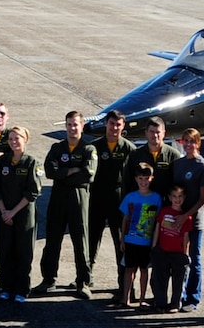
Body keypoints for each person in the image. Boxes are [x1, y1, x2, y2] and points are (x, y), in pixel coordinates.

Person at [37, 110, 97, 297]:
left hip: (79, 199)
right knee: (52, 240)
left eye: (76, 124)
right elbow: (49, 170)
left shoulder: (89, 149)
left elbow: (88, 174)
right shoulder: (57, 148)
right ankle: (48, 279)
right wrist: (71, 170)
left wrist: (62, 173)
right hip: (58, 198)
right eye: (69, 124)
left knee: (81, 242)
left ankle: (83, 282)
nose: (72, 128)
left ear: (82, 126)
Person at [87, 109, 138, 291]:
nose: (114, 127)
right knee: (91, 239)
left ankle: (123, 282)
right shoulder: (94, 147)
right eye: (111, 123)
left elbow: (135, 178)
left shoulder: (129, 149)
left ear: (123, 126)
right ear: (106, 124)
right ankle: (86, 276)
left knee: (121, 242)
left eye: (118, 124)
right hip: (97, 198)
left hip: (120, 201)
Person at [0, 127, 41, 300]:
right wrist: (4, 211)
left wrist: (13, 212)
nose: (13, 141)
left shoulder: (31, 162)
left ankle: (21, 289)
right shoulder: (3, 161)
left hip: (23, 215)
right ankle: (6, 286)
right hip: (5, 214)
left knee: (23, 252)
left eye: (17, 138)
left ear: (25, 139)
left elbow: (33, 191)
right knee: (5, 251)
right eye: (10, 138)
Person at [171, 130, 204, 311]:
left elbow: (203, 199)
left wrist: (186, 215)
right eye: (185, 141)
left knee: (193, 259)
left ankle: (193, 298)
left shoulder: (202, 167)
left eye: (192, 141)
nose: (188, 144)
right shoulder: (179, 164)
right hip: (178, 220)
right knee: (179, 258)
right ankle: (178, 296)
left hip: (194, 221)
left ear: (198, 143)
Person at [117, 163, 161, 309]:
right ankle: (125, 298)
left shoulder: (156, 198)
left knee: (144, 270)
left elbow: (158, 222)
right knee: (129, 269)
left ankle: (142, 299)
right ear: (136, 179)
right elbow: (125, 218)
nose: (144, 182)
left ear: (151, 179)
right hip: (130, 239)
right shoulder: (130, 197)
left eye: (146, 178)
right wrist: (122, 239)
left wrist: (155, 242)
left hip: (146, 241)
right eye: (141, 178)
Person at [150, 184, 193, 312]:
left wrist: (185, 253)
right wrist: (154, 245)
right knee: (159, 279)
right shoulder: (164, 211)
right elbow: (158, 228)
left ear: (184, 198)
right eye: (174, 196)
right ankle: (160, 303)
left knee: (178, 280)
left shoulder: (187, 217)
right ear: (169, 197)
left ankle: (175, 304)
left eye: (180, 196)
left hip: (178, 252)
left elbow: (186, 237)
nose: (177, 199)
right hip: (162, 250)